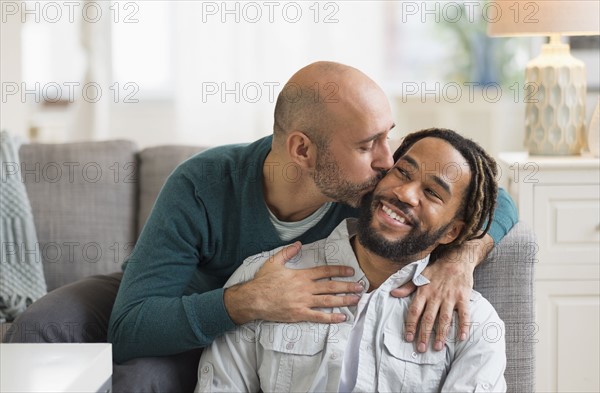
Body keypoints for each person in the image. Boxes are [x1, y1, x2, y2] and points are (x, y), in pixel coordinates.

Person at [6, 62, 517, 391]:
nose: (390, 163)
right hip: (175, 300)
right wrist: (247, 300)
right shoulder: (204, 182)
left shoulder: (372, 198)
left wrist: (459, 260)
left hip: (239, 330)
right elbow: (133, 324)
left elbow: (492, 201)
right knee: (40, 326)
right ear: (302, 150)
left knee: (142, 379)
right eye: (368, 147)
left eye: (390, 137)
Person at [195, 128, 507, 392]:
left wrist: (464, 260)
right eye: (402, 172)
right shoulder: (264, 277)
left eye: (433, 193)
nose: (406, 194)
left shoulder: (475, 323)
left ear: (451, 232)